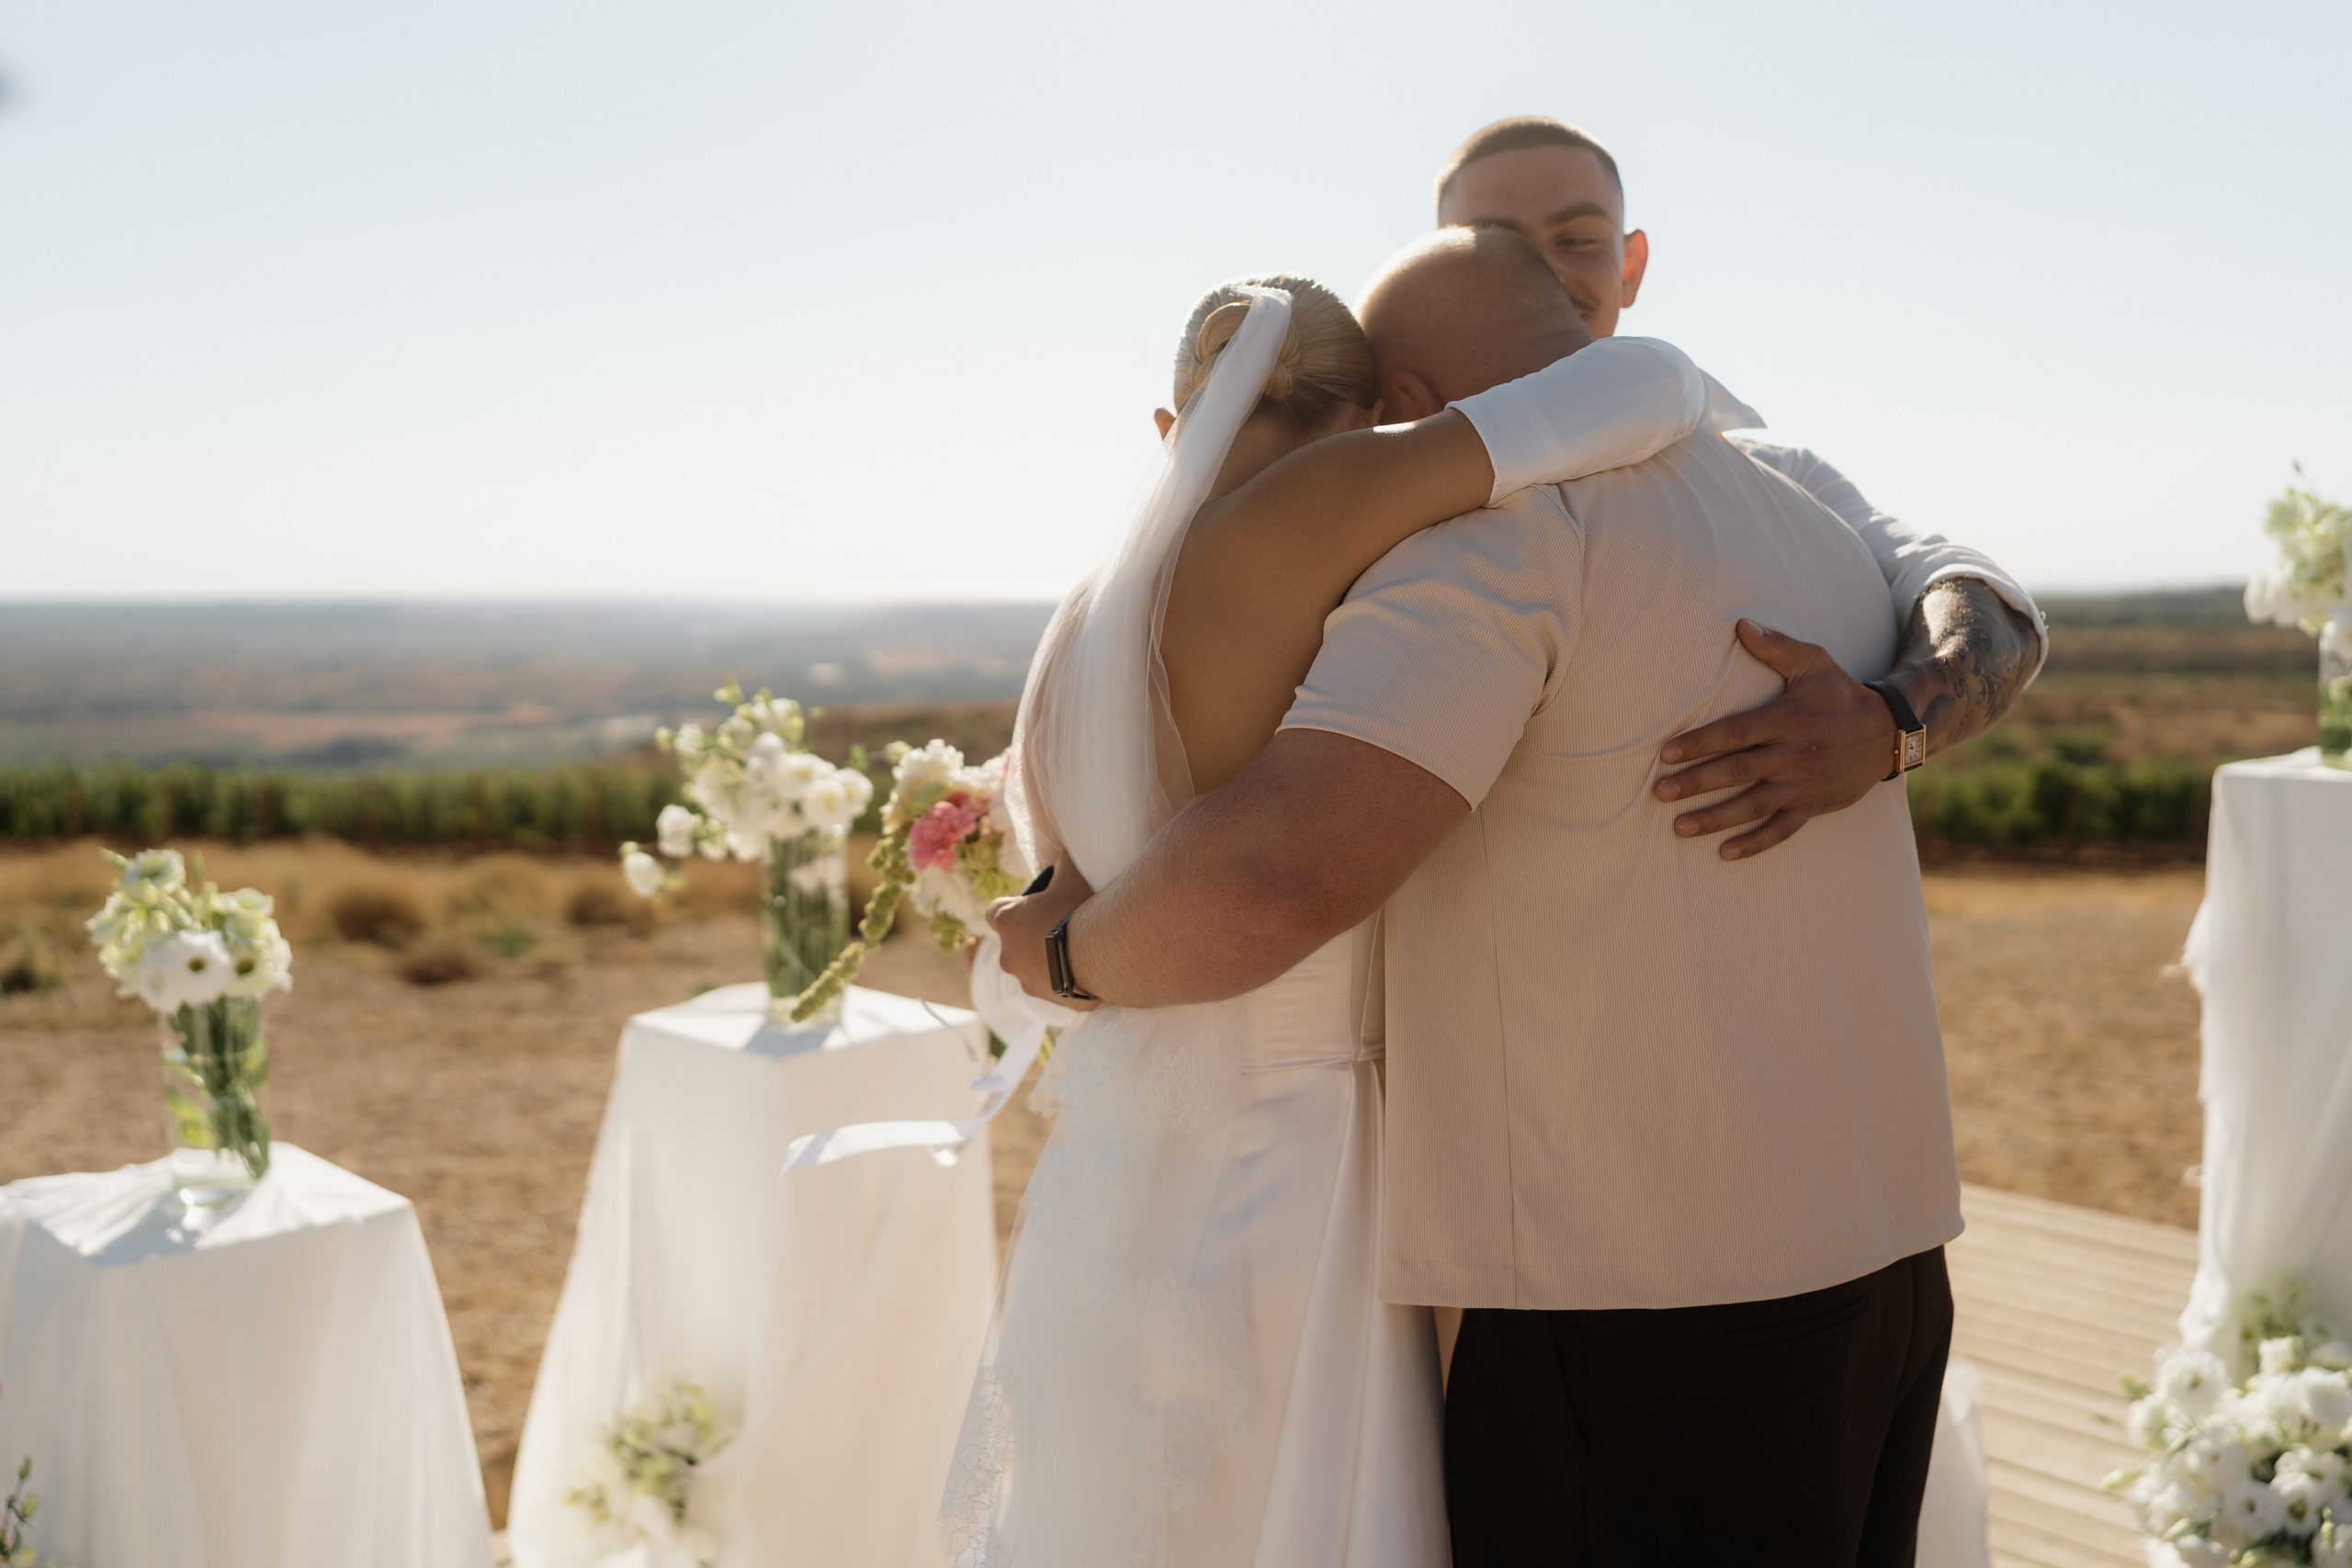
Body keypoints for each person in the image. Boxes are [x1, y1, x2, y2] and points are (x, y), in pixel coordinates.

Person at [988, 226, 2004, 1565]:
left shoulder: (1490, 544)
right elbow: (1985, 603)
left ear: (1406, 406)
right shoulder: (1815, 523)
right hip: (1891, 1260)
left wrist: (1059, 956)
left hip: (1630, 1303)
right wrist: (1897, 722)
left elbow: (1271, 874)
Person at [940, 272, 1747, 1567]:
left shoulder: (1078, 618)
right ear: (1376, 410)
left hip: (1128, 1158)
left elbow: (1056, 895)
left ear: (1173, 426)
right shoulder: (1309, 521)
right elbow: (1646, 381)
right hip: (1318, 1157)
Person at [1437, 115, 2044, 856]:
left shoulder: (1774, 471)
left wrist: (1892, 726)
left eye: (1577, 240)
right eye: (1500, 246)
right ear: (1440, 268)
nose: (1545, 273)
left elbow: (1986, 605)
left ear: (1630, 268)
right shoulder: (1362, 468)